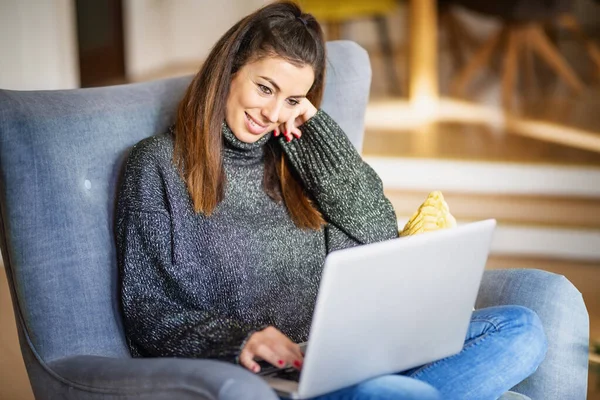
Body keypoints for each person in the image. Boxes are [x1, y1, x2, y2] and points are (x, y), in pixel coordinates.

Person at [115, 1, 547, 399]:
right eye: (265, 88)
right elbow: (147, 308)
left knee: (522, 328)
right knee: (396, 395)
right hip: (273, 379)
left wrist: (316, 133)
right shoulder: (156, 166)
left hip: (356, 355)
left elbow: (379, 232)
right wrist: (240, 341)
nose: (272, 114)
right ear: (229, 70)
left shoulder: (296, 154)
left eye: (293, 100)